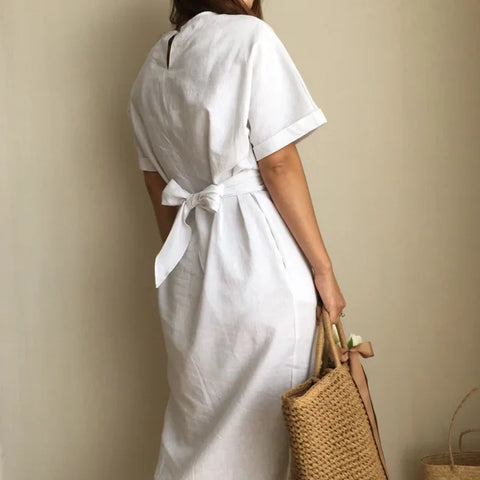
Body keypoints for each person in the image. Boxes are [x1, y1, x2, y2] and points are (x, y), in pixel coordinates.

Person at [127, 1, 346, 479]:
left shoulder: (151, 68)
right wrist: (324, 272)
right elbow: (278, 163)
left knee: (197, 434)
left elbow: (154, 185)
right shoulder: (249, 37)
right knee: (265, 441)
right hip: (258, 261)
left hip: (189, 270)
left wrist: (191, 263)